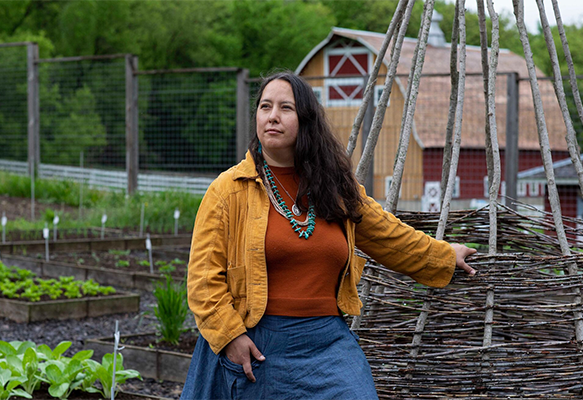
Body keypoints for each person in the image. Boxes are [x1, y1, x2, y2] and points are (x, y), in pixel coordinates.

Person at [180, 71, 477, 400]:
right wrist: (230, 335)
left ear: (305, 120)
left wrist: (445, 256)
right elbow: (203, 278)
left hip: (327, 342)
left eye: (285, 108)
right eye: (265, 107)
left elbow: (389, 236)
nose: (272, 116)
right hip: (258, 342)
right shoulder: (228, 191)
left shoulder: (335, 188)